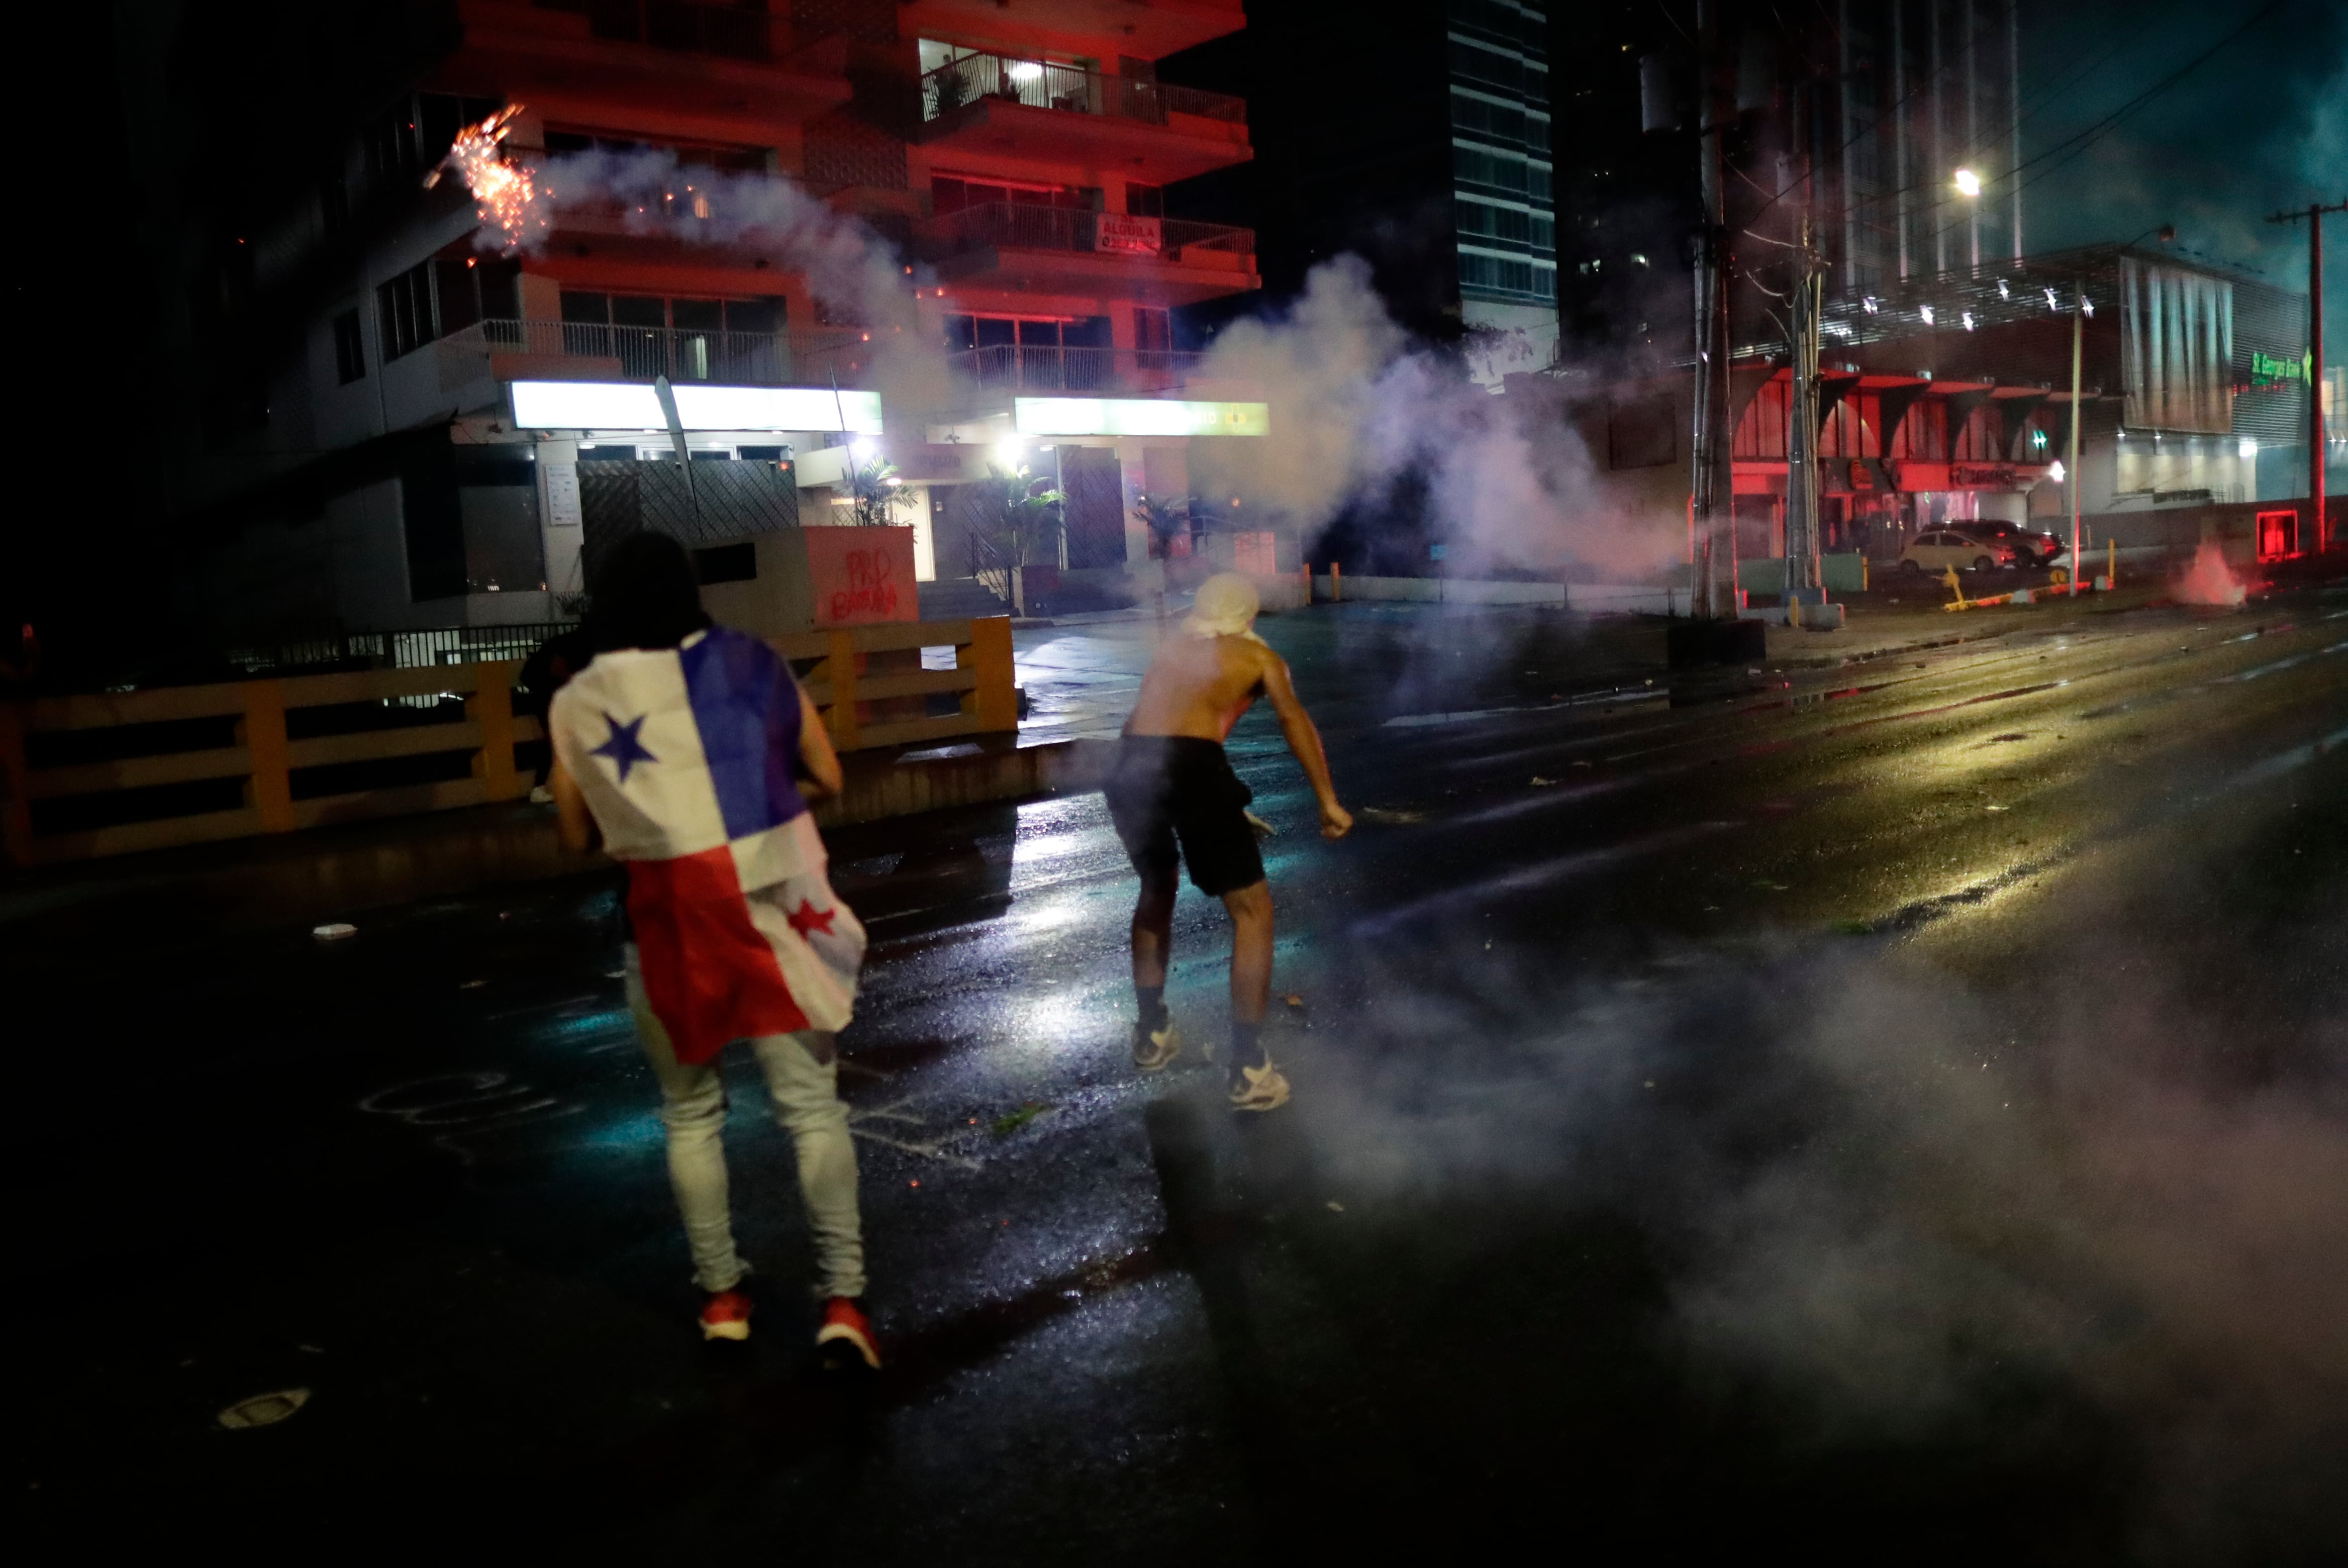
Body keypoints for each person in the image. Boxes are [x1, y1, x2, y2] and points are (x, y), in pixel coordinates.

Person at [547, 533, 879, 1367]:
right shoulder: (754, 665)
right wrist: (754, 809)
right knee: (812, 1110)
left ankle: (722, 1296)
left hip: (665, 926)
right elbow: (829, 777)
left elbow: (574, 833)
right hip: (775, 913)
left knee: (691, 1116)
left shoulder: (583, 701)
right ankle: (843, 1300)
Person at [1104, 573, 1351, 1111]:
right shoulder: (1258, 657)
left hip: (1129, 765)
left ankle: (1150, 1034)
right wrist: (1327, 801)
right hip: (1193, 768)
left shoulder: (1172, 649)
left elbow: (1156, 730)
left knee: (1156, 886)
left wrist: (1223, 802)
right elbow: (1294, 720)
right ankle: (1249, 1067)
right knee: (1252, 912)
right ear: (1249, 615)